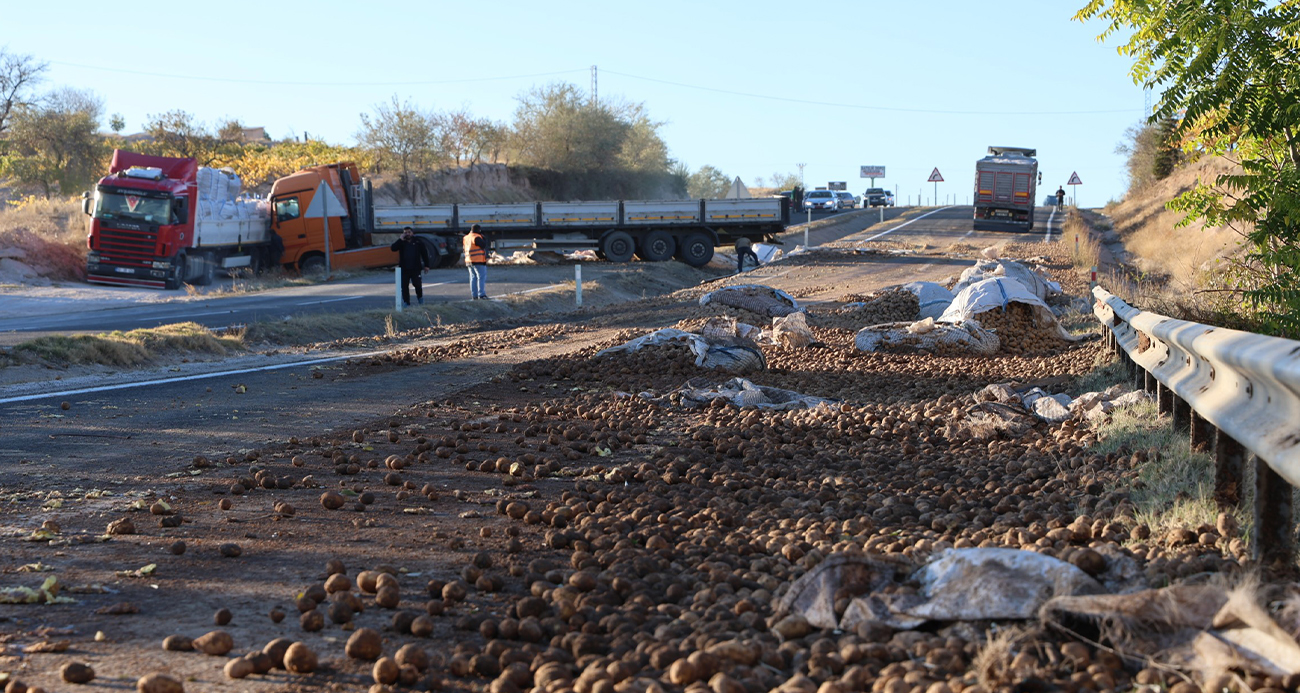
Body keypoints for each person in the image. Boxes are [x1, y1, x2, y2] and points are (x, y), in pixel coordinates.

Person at [390, 226, 430, 306]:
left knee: (417, 284)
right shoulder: (401, 242)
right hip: (404, 268)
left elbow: (424, 253)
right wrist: (400, 239)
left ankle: (420, 299)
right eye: (405, 232)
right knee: (404, 287)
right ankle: (406, 303)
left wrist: (426, 265)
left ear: (412, 233)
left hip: (415, 268)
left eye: (409, 232)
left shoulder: (418, 242)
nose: (407, 234)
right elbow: (393, 248)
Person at [463, 223, 488, 300]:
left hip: (469, 260)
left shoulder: (466, 237)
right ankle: (481, 294)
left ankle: (474, 295)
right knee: (481, 277)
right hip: (478, 260)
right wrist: (483, 237)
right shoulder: (476, 237)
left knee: (473, 278)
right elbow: (483, 245)